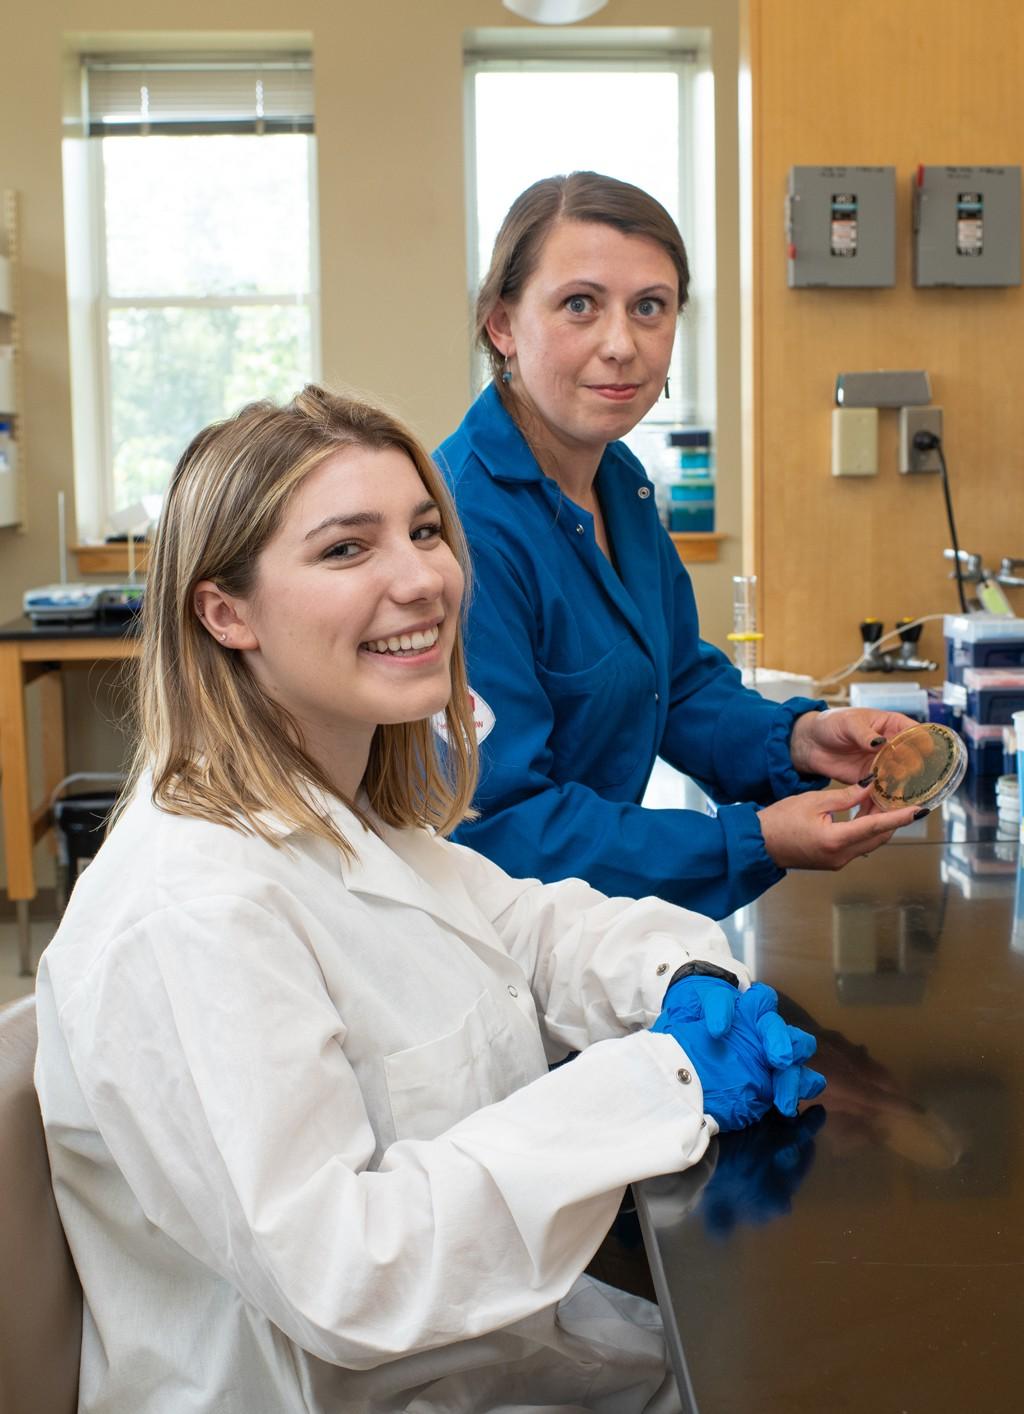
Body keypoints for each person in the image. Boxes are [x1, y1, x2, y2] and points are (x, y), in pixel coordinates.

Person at [35, 387, 825, 1414]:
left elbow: (529, 925)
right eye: (346, 550)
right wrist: (661, 1081)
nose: (422, 580)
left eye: (422, 532)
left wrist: (680, 977)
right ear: (224, 611)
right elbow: (347, 1275)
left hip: (496, 1361)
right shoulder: (194, 905)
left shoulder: (343, 807)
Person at [436, 171, 923, 920]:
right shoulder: (467, 523)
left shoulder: (617, 479)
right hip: (494, 946)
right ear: (503, 324)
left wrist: (802, 739)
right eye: (579, 305)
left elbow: (678, 684)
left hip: (586, 933)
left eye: (650, 308)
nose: (622, 345)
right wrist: (747, 840)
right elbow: (503, 826)